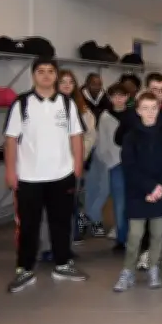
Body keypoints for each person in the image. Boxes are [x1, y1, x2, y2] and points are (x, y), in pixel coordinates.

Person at [5, 58, 88, 293]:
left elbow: (76, 136)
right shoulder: (21, 104)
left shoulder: (67, 104)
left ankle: (63, 264)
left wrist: (77, 167)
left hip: (62, 175)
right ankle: (25, 269)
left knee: (61, 223)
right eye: (40, 72)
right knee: (28, 225)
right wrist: (11, 171)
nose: (46, 76)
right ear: (33, 76)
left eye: (50, 71)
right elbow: (11, 140)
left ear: (56, 75)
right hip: (29, 177)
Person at [114, 92, 162, 291]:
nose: (150, 112)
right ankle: (127, 271)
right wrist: (149, 187)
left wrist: (160, 188)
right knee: (135, 235)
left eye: (154, 108)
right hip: (138, 192)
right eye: (145, 108)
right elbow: (129, 166)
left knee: (158, 235)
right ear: (138, 111)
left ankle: (153, 268)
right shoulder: (130, 137)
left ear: (159, 108)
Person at [56, 70, 96, 246]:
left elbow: (90, 136)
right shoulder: (49, 107)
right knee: (55, 203)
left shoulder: (83, 110)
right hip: (52, 164)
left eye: (70, 82)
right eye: (62, 81)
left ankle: (73, 235)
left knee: (73, 200)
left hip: (74, 163)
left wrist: (79, 155)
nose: (66, 85)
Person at [95, 83, 130, 252]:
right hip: (116, 165)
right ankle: (122, 238)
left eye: (122, 95)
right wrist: (110, 161)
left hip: (134, 164)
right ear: (109, 98)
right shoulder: (105, 116)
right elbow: (102, 143)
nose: (118, 99)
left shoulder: (133, 114)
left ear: (127, 97)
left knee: (135, 201)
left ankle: (135, 237)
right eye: (115, 95)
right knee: (120, 203)